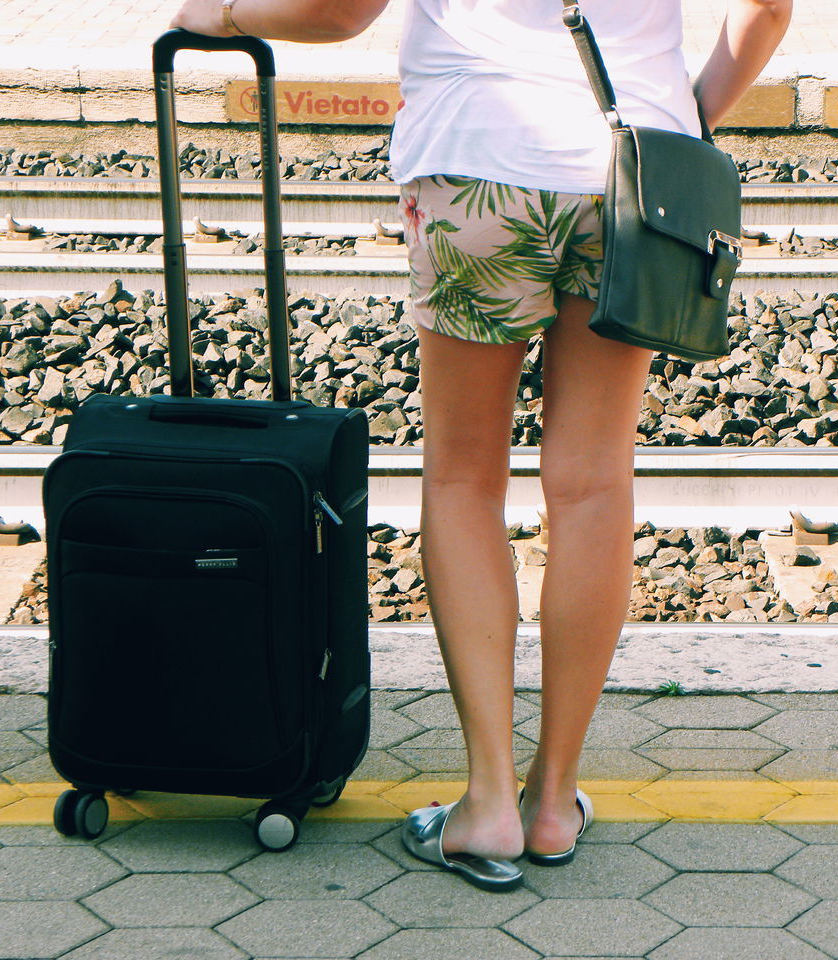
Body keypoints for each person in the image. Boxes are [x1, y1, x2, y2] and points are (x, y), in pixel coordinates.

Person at [169, 0, 793, 891]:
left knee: (464, 478)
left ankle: (488, 803)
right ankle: (553, 799)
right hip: (634, 172)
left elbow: (343, 11)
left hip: (478, 161)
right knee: (591, 485)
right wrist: (680, 120)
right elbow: (768, 8)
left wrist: (226, 13)